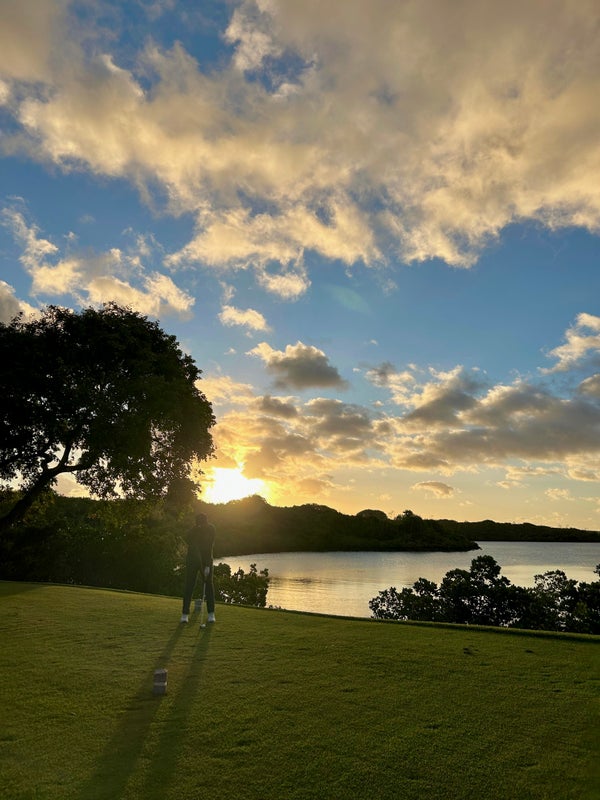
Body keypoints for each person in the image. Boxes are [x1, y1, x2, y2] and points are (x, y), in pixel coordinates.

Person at [181, 512, 216, 624]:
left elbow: (209, 547)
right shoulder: (193, 531)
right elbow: (188, 540)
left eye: (204, 523)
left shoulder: (211, 529)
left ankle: (211, 614)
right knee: (189, 585)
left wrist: (207, 566)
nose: (203, 525)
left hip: (206, 560)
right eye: (200, 524)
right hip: (192, 561)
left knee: (209, 585)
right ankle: (185, 614)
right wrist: (196, 529)